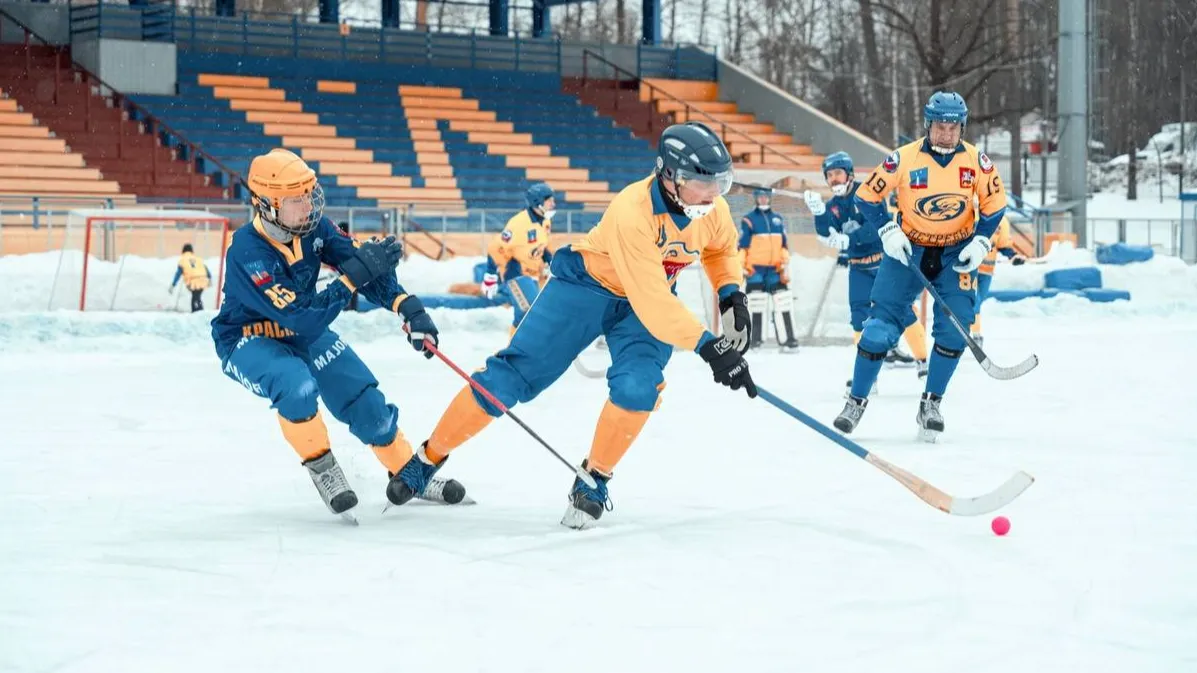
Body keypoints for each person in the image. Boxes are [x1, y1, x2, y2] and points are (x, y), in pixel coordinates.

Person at [383, 121, 756, 529]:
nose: (714, 194)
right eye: (704, 184)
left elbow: (720, 250)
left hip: (643, 305)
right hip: (587, 289)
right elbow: (652, 301)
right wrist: (707, 346)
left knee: (639, 387)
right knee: (509, 378)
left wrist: (730, 294)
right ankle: (427, 458)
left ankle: (594, 478)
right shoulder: (633, 211)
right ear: (670, 176)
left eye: (720, 183)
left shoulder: (711, 209)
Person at [210, 148, 462, 521]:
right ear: (265, 204)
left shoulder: (316, 228)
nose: (308, 205)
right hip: (250, 339)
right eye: (296, 199)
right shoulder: (247, 252)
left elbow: (364, 267)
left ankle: (409, 472)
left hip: (303, 330)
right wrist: (351, 279)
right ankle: (323, 468)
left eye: (309, 194)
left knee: (366, 403)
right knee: (295, 384)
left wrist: (408, 307)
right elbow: (303, 317)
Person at [832, 91, 1008, 442]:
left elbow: (995, 204)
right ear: (929, 124)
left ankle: (931, 403)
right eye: (940, 126)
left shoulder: (977, 161)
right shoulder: (904, 158)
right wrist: (887, 228)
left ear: (962, 126)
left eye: (954, 127)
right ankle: (856, 401)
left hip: (954, 255)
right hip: (907, 252)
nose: (947, 133)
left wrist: (982, 240)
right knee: (878, 329)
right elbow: (866, 196)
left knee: (955, 328)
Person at [807, 151, 931, 385]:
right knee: (858, 319)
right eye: (829, 175)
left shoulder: (866, 194)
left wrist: (849, 240)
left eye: (838, 173)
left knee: (902, 311)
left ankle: (923, 360)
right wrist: (819, 214)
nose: (833, 179)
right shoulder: (833, 205)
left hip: (884, 263)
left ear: (850, 174)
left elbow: (876, 228)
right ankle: (867, 375)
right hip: (858, 268)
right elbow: (826, 234)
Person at [481, 183, 555, 336]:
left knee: (535, 314)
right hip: (516, 274)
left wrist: (552, 263)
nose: (553, 204)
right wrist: (490, 276)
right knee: (528, 311)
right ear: (538, 202)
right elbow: (496, 248)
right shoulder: (518, 224)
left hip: (535, 274)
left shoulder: (546, 221)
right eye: (549, 200)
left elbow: (544, 246)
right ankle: (513, 352)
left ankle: (526, 350)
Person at [738, 187, 798, 351]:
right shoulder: (749, 219)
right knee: (757, 304)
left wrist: (784, 264)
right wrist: (742, 267)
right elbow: (742, 246)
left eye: (766, 196)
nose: (763, 200)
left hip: (775, 270)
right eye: (760, 197)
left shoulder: (778, 219)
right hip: (755, 270)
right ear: (756, 199)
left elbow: (784, 246)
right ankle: (755, 341)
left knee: (783, 303)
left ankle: (789, 341)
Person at [971, 214, 1026, 345]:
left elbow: (1003, 245)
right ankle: (976, 336)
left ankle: (970, 331)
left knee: (978, 301)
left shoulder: (1002, 220)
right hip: (970, 268)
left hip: (987, 271)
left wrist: (1013, 256)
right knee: (974, 300)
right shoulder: (971, 212)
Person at [171, 243, 212, 312]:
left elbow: (178, 274)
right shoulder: (198, 258)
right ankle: (199, 311)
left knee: (195, 297)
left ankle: (197, 312)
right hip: (203, 279)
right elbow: (206, 268)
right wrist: (210, 278)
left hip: (193, 281)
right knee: (197, 296)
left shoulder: (183, 260)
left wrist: (173, 284)